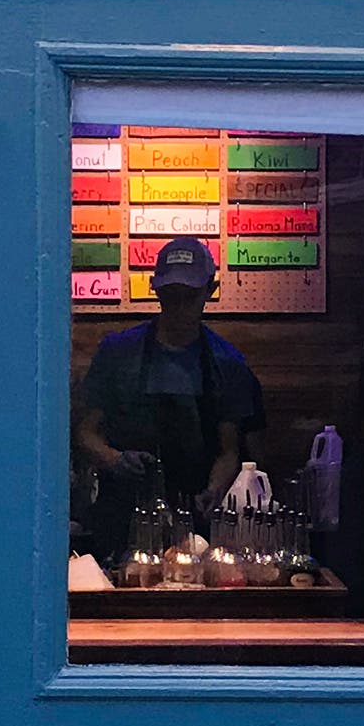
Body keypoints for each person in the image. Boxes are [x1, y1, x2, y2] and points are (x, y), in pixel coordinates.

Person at [76, 236, 262, 563]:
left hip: (197, 530)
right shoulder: (117, 353)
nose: (178, 307)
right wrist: (115, 460)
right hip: (119, 522)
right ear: (155, 289)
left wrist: (214, 490)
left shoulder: (227, 364)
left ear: (210, 290)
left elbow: (229, 451)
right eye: (169, 296)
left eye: (188, 297)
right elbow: (85, 434)